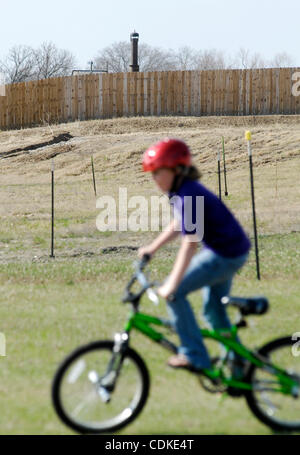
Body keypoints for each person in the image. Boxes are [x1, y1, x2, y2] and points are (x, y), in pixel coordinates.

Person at [138, 138, 251, 372]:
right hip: (230, 251)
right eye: (152, 173)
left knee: (176, 294)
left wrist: (172, 285)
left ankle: (194, 354)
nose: (154, 178)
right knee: (213, 310)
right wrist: (153, 248)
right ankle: (239, 366)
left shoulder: (189, 195)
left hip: (223, 255)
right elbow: (180, 224)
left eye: (158, 172)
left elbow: (190, 244)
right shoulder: (183, 192)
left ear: (177, 169)